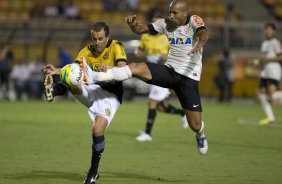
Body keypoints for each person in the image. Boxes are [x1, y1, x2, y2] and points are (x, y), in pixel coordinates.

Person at [79, 0, 208, 155]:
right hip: (169, 71)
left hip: (188, 78)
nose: (171, 15)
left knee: (194, 124)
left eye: (175, 12)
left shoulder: (193, 20)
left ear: (185, 14)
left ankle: (200, 134)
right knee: (136, 68)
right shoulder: (166, 23)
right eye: (170, 12)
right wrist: (134, 27)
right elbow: (143, 29)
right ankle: (94, 76)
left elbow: (203, 33)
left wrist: (200, 44)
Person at [42, 22, 127, 184]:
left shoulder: (116, 46)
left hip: (110, 96)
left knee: (97, 131)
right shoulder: (86, 51)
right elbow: (74, 69)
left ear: (107, 37)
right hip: (92, 89)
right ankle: (53, 91)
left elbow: (124, 69)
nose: (96, 42)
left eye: (100, 39)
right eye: (94, 39)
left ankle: (93, 173)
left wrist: (109, 67)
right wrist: (57, 71)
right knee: (72, 76)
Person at [134, 14, 188, 142]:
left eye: (157, 22)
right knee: (161, 107)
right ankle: (182, 113)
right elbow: (141, 50)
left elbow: (178, 54)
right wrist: (139, 52)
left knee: (152, 102)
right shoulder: (145, 37)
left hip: (164, 73)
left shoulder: (167, 37)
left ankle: (147, 134)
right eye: (153, 22)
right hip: (151, 72)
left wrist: (167, 56)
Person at [257, 23, 282, 125]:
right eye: (266, 29)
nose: (268, 31)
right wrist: (258, 65)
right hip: (265, 71)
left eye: (270, 29)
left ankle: (271, 117)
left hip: (274, 70)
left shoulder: (275, 42)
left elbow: (280, 57)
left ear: (274, 31)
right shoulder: (264, 44)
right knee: (261, 93)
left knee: (271, 97)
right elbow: (263, 58)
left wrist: (268, 59)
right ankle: (270, 117)